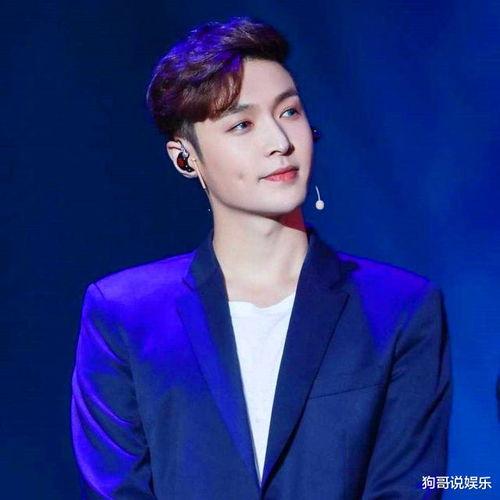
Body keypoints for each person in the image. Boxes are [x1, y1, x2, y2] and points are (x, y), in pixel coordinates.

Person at [70, 15, 452, 499]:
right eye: (242, 124)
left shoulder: (399, 309)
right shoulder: (124, 313)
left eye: (289, 112)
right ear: (185, 158)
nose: (280, 142)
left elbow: (412, 486)